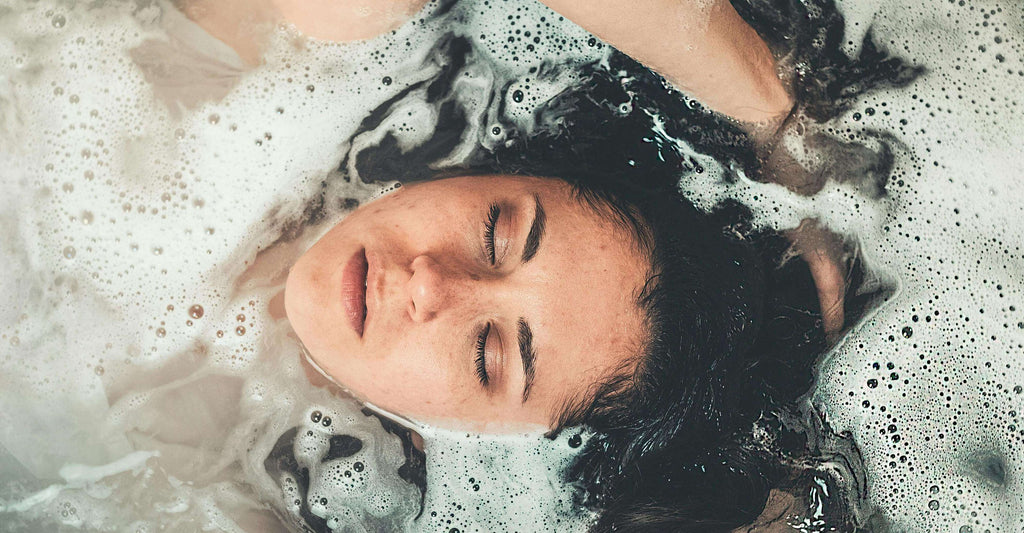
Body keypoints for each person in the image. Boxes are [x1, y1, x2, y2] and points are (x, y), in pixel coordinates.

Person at [180, 0, 869, 530]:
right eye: (496, 231)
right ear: (486, 168)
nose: (428, 282)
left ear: (462, 442)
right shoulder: (306, 50)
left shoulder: (211, 492)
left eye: (487, 352)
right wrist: (781, 124)